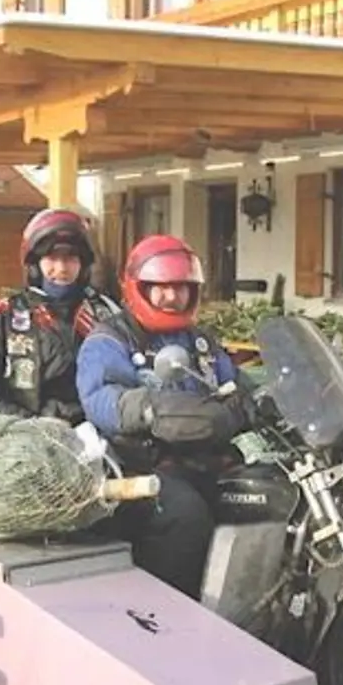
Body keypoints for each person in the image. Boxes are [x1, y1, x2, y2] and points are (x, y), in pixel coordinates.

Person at [76, 234, 247, 600]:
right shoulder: (109, 340)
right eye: (161, 288)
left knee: (271, 498)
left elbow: (235, 383)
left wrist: (266, 399)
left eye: (181, 288)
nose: (172, 296)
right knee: (185, 517)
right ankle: (170, 615)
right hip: (142, 467)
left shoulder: (200, 342)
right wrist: (152, 410)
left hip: (206, 460)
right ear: (139, 288)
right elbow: (102, 398)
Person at [0, 207, 123, 423]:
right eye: (51, 258)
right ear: (34, 266)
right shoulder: (1, 318)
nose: (61, 268)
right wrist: (29, 424)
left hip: (99, 436)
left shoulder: (108, 315)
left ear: (83, 264)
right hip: (22, 438)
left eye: (70, 258)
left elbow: (134, 380)